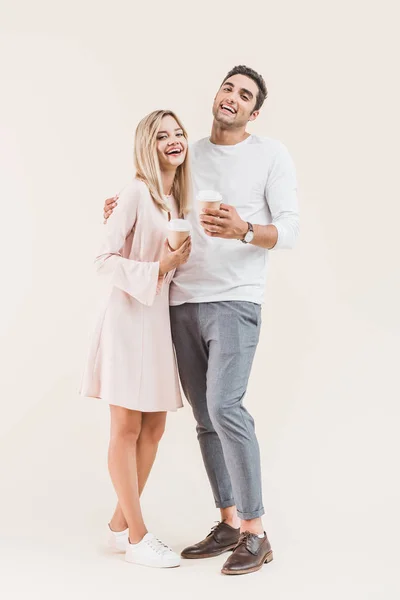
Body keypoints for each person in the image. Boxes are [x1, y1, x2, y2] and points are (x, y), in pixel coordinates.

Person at [104, 65, 299, 575]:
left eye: (245, 95)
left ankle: (257, 531)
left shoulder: (270, 155)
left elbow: (291, 229)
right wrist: (124, 204)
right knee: (205, 419)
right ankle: (230, 521)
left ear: (254, 112)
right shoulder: (189, 153)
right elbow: (158, 194)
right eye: (228, 87)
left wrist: (245, 229)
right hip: (180, 302)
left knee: (224, 405)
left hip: (236, 300)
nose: (232, 98)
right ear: (216, 95)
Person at [81, 110, 192, 569]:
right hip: (128, 320)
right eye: (162, 135)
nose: (174, 140)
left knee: (155, 428)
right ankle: (138, 537)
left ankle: (117, 527)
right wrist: (158, 269)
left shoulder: (176, 201)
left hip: (157, 322)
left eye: (179, 132)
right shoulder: (134, 193)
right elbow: (101, 258)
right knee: (126, 428)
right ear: (148, 144)